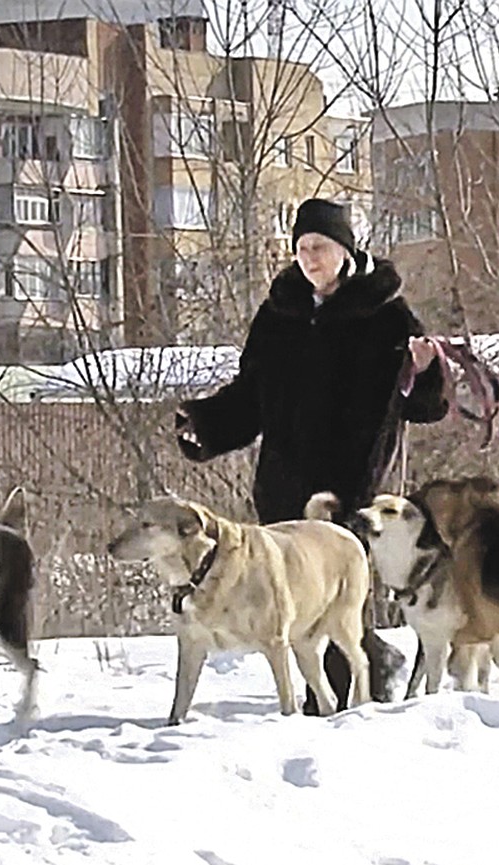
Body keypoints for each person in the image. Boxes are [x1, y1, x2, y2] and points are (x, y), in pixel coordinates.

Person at [174, 197, 448, 714]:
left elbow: (425, 406)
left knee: (339, 591)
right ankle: (357, 675)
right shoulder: (281, 313)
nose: (309, 258)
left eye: (319, 246)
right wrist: (205, 424)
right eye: (301, 248)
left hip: (353, 479)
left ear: (345, 250)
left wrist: (429, 370)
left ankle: (342, 703)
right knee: (295, 598)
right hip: (285, 479)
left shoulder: (386, 314)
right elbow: (252, 394)